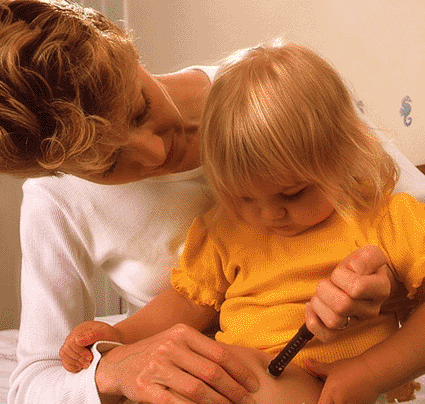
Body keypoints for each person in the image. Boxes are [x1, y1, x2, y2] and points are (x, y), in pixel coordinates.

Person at [1, 0, 423, 403]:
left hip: (319, 376)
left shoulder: (288, 99)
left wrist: (373, 356)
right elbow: (188, 302)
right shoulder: (224, 228)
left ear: (131, 53)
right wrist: (121, 344)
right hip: (231, 370)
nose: (154, 153)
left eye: (138, 110)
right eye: (109, 164)